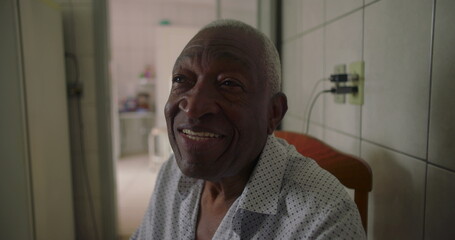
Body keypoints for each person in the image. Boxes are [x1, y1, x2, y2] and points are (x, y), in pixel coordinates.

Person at [131, 19, 366, 240]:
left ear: (273, 112)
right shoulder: (170, 175)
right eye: (182, 79)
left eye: (229, 83)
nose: (192, 107)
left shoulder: (322, 220)